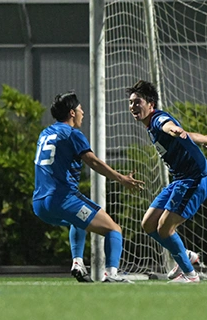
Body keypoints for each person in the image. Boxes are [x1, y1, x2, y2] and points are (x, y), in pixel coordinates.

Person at [32, 91, 144, 283]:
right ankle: (111, 274)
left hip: (39, 204)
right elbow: (93, 162)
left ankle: (77, 263)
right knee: (113, 229)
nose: (82, 112)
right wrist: (121, 178)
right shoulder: (72, 134)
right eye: (80, 109)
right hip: (62, 200)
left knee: (78, 221)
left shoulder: (45, 133)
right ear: (72, 112)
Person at [129, 80, 207, 283]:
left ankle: (191, 276)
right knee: (148, 224)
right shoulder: (150, 125)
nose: (133, 106)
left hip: (195, 178)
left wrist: (173, 129)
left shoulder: (158, 119)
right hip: (179, 180)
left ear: (151, 104)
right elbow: (186, 134)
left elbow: (168, 126)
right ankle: (185, 256)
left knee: (164, 227)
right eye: (131, 102)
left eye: (138, 102)